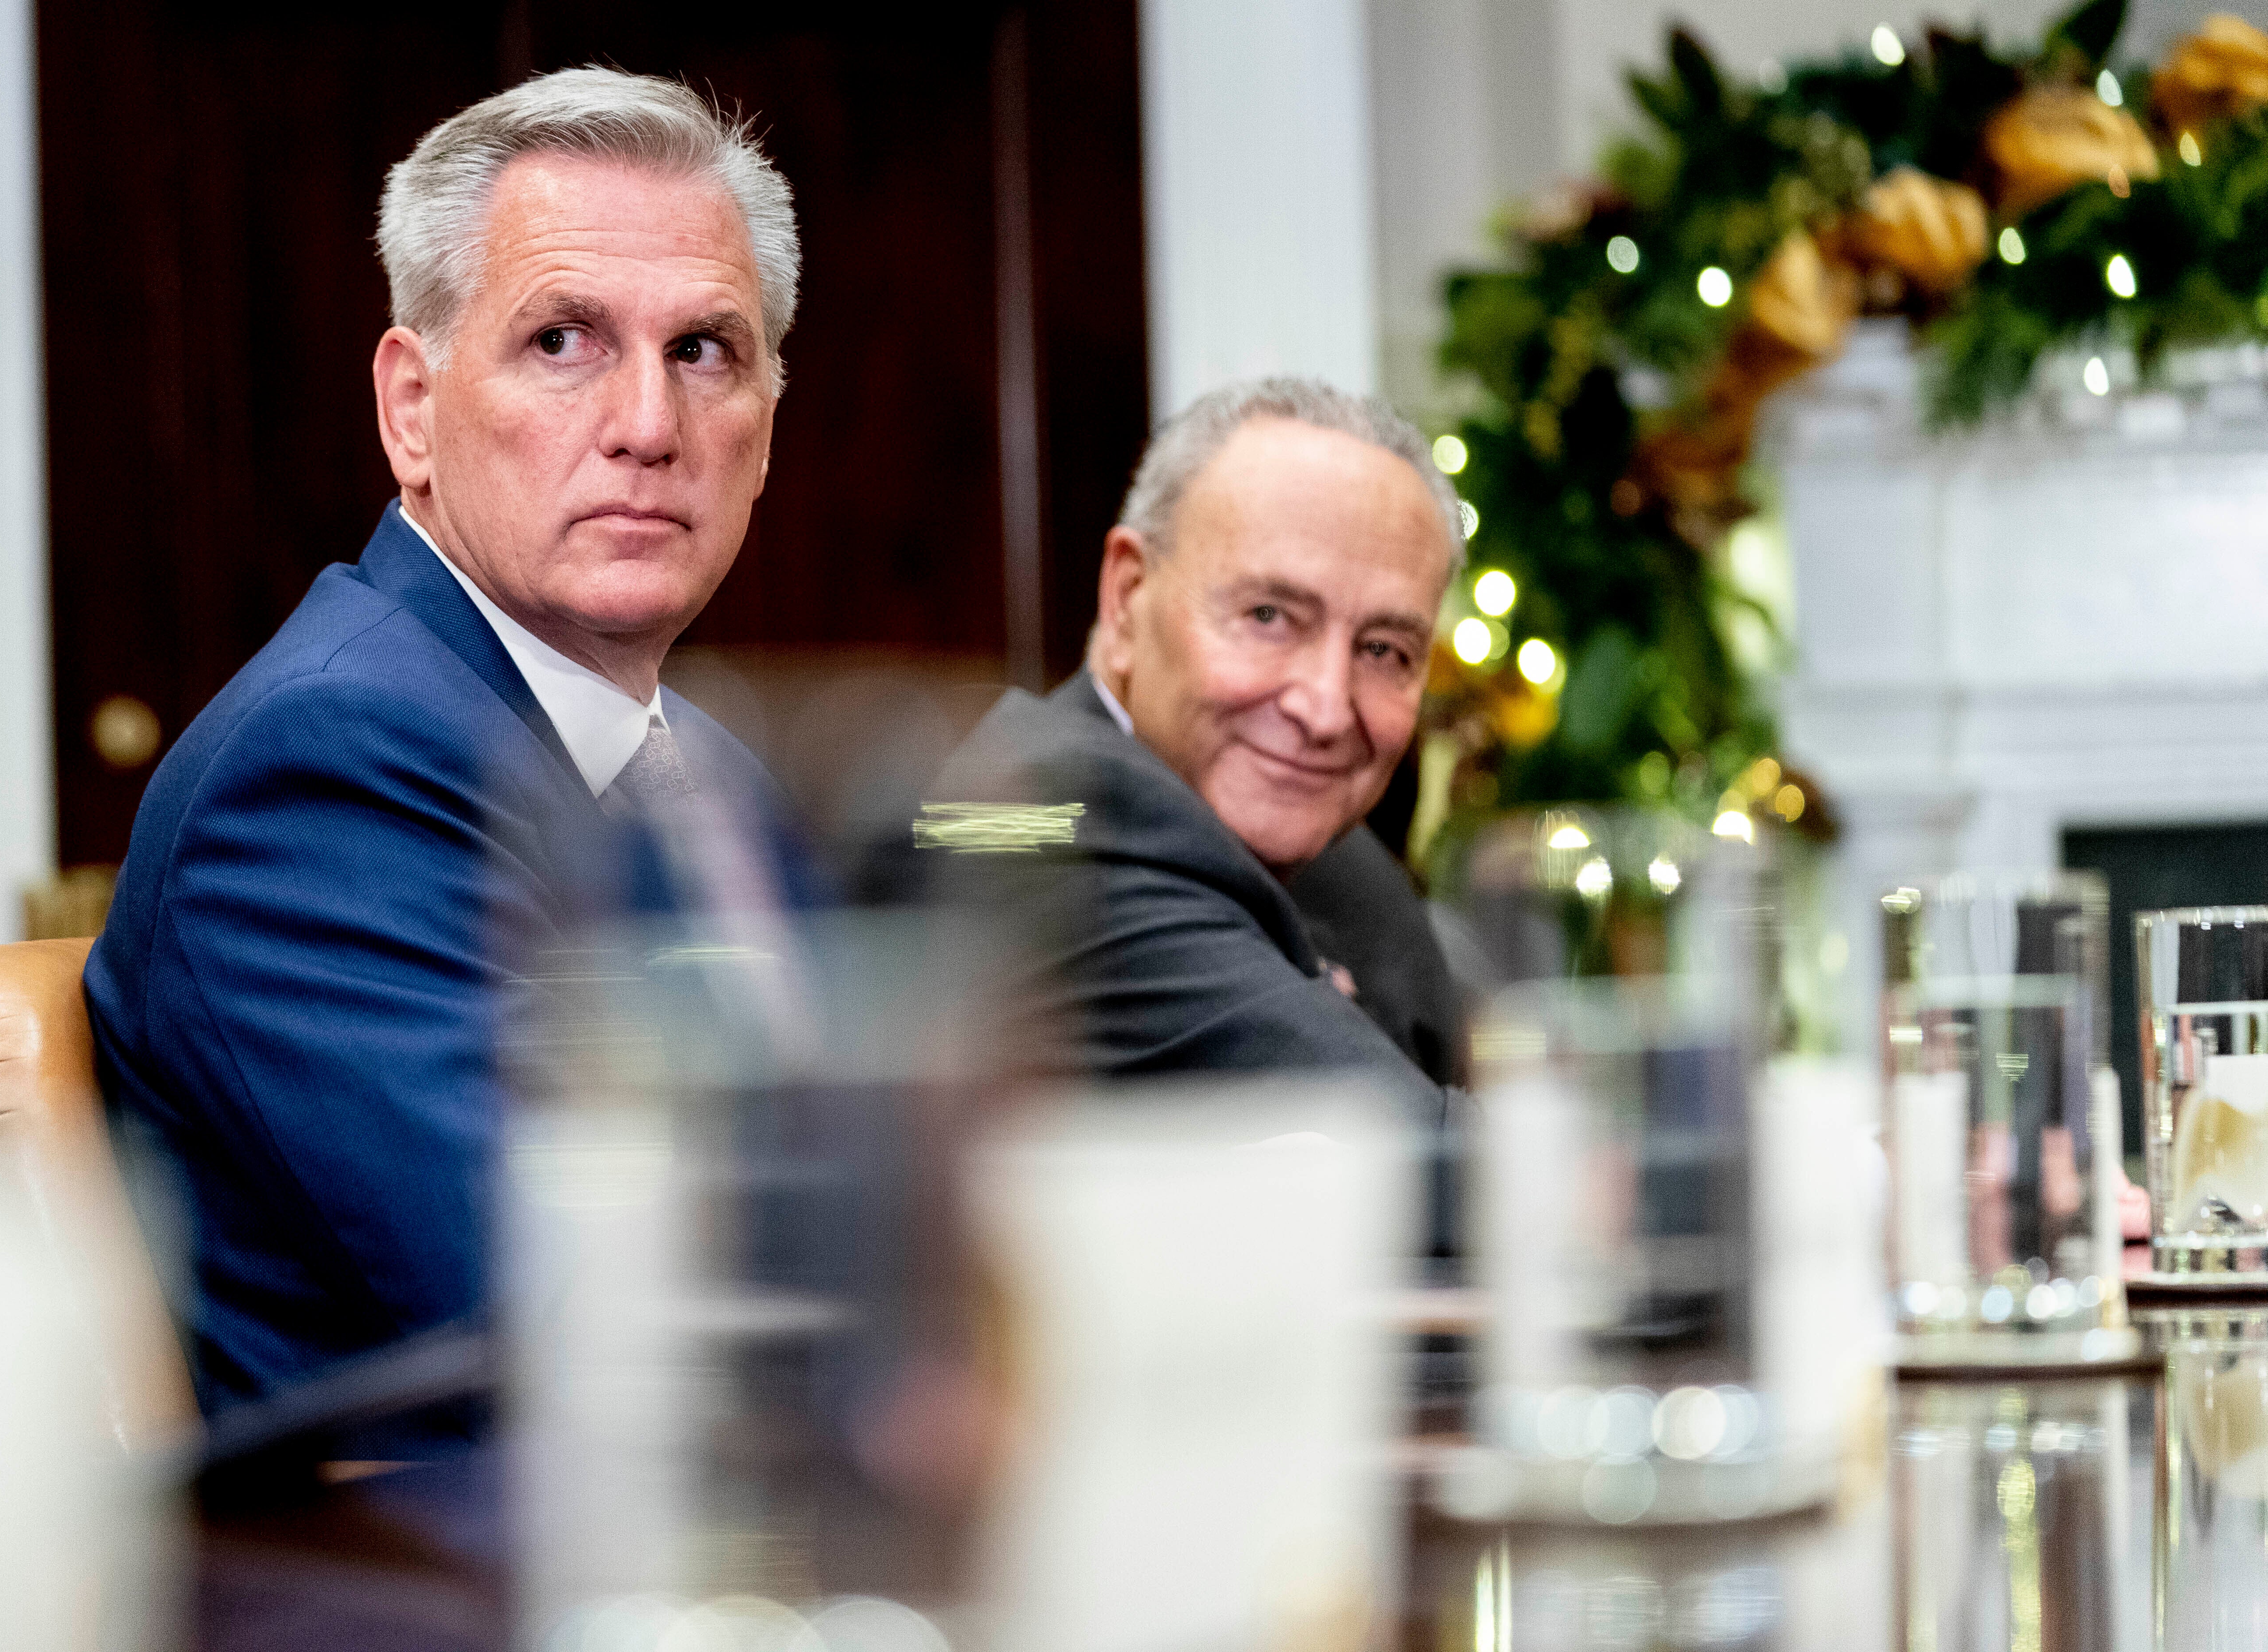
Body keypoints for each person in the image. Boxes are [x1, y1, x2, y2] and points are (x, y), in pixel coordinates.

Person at [85, 68, 801, 1429]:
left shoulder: (713, 774)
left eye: (704, 350)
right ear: (409, 408)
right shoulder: (318, 771)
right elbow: (595, 1313)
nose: (649, 426)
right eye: (562, 342)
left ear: (767, 429)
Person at [927, 378, 1464, 1093]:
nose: (1327, 709)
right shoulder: (1025, 818)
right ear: (1125, 602)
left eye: (1383, 651)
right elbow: (1429, 1154)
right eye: (1269, 616)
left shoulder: (1354, 874)